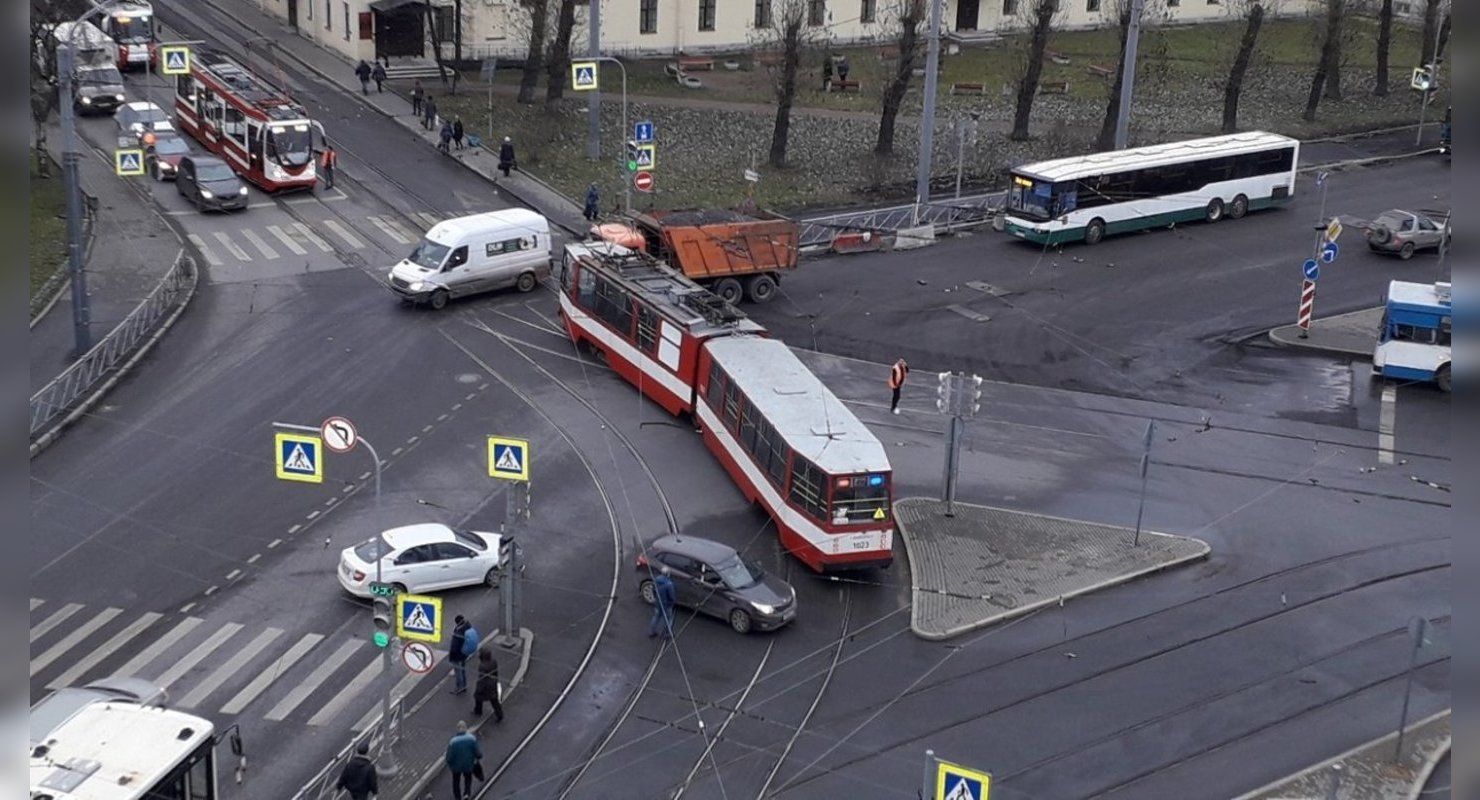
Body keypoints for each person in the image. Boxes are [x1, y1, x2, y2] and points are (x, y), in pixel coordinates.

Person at [445, 721, 482, 800]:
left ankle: (457, 797)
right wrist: (477, 758)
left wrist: (449, 763)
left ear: (457, 729)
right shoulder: (471, 739)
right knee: (468, 778)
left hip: (456, 766)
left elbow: (449, 756)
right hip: (468, 764)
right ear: (466, 728)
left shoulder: (453, 741)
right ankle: (466, 793)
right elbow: (478, 753)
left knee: (456, 781)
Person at [472, 647, 503, 722]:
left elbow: (482, 679)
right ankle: (500, 715)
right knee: (494, 701)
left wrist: (479, 688)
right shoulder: (494, 661)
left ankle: (478, 711)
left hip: (485, 686)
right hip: (493, 684)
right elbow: (496, 673)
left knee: (478, 697)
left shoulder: (482, 666)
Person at [448, 615, 478, 693]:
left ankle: (460, 688)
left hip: (458, 655)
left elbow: (454, 646)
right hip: (464, 653)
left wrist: (451, 656)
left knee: (458, 672)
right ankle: (464, 686)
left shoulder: (459, 631)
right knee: (462, 670)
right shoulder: (467, 626)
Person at [648, 566, 677, 640]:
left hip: (658, 603)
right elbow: (672, 597)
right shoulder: (669, 584)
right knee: (669, 619)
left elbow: (654, 590)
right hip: (667, 605)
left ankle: (651, 632)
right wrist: (672, 603)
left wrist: (656, 599)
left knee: (656, 617)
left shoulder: (656, 580)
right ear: (667, 574)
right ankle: (667, 633)